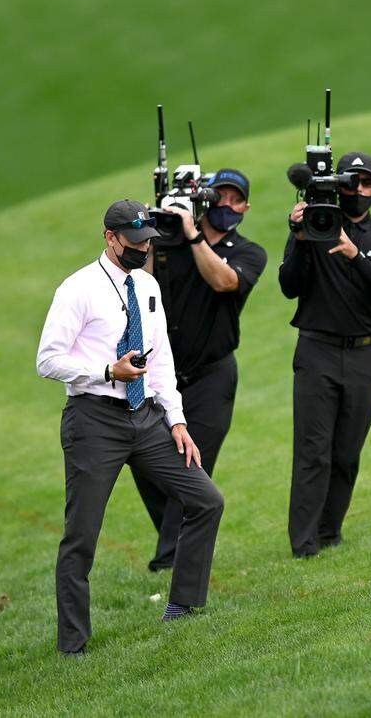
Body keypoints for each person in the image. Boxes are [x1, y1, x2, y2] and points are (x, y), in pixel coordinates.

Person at [36, 199, 225, 655]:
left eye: (148, 242)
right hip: (94, 420)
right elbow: (47, 359)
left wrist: (176, 420)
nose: (144, 249)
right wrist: (107, 371)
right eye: (136, 242)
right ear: (110, 238)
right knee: (81, 536)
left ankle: (185, 603)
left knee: (206, 500)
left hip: (147, 418)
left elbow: (160, 359)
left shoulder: (147, 284)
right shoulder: (77, 289)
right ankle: (73, 644)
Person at [132, 169, 266, 572]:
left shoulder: (247, 251)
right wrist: (156, 234)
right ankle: (174, 542)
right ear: (205, 200)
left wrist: (193, 236)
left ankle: (170, 561)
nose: (226, 205)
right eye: (219, 196)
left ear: (245, 206)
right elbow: (140, 284)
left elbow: (225, 282)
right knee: (145, 464)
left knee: (191, 465)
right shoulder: (169, 243)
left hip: (212, 375)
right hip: (160, 376)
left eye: (235, 198)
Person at [278, 152, 371, 557]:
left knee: (346, 452)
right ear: (339, 185)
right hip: (317, 351)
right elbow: (289, 285)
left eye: (366, 183)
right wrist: (298, 235)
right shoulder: (318, 223)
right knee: (312, 451)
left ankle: (330, 531)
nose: (358, 190)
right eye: (351, 182)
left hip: (365, 354)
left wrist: (353, 253)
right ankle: (305, 543)